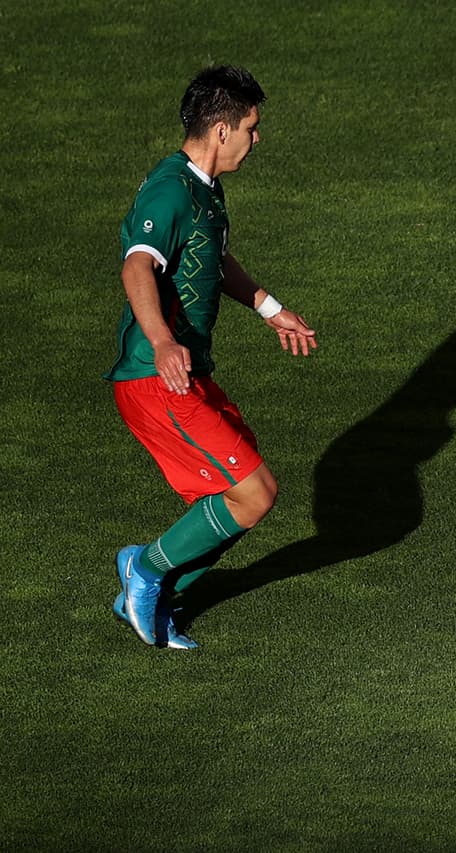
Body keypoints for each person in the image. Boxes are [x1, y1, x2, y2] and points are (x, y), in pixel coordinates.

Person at [107, 65, 317, 647]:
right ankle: (144, 570)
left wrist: (271, 308)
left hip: (185, 376)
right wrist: (162, 340)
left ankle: (149, 594)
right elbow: (137, 265)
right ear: (221, 130)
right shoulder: (171, 188)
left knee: (230, 502)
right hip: (157, 378)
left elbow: (212, 260)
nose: (257, 137)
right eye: (251, 127)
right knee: (253, 493)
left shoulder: (205, 188)